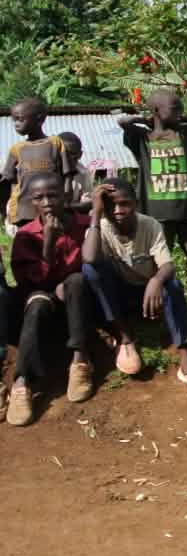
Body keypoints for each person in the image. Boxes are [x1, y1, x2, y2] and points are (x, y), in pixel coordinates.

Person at [81, 179, 187, 399]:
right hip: (119, 294)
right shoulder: (100, 227)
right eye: (111, 205)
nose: (118, 211)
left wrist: (156, 280)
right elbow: (89, 258)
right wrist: (95, 212)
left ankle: (186, 363)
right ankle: (125, 338)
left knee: (172, 284)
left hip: (148, 296)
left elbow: (167, 265)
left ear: (136, 203)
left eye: (125, 204)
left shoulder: (149, 225)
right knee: (91, 270)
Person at [7, 173, 93, 425]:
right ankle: (22, 382)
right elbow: (28, 283)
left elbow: (89, 266)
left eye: (52, 195)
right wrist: (48, 242)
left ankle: (79, 360)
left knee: (76, 281)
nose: (47, 202)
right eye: (39, 197)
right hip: (42, 298)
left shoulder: (84, 225)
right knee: (36, 304)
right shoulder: (25, 235)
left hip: (78, 301)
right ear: (32, 202)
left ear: (65, 195)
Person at [118, 88, 187, 289]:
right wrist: (146, 118)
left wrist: (183, 118)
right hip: (156, 210)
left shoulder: (185, 135)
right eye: (175, 108)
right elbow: (123, 122)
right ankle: (165, 284)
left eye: (181, 108)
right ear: (157, 110)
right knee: (160, 251)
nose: (180, 111)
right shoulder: (143, 139)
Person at [3, 97, 74, 231]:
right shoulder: (17, 149)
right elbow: (8, 180)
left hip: (51, 205)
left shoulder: (55, 143)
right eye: (14, 120)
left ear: (39, 120)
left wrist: (66, 196)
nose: (16, 124)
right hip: (25, 207)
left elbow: (67, 173)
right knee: (28, 240)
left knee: (56, 238)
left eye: (20, 119)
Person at [58, 132, 94, 212]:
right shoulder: (47, 171)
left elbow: (87, 199)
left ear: (80, 155)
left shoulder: (83, 173)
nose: (66, 158)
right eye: (63, 154)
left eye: (72, 154)